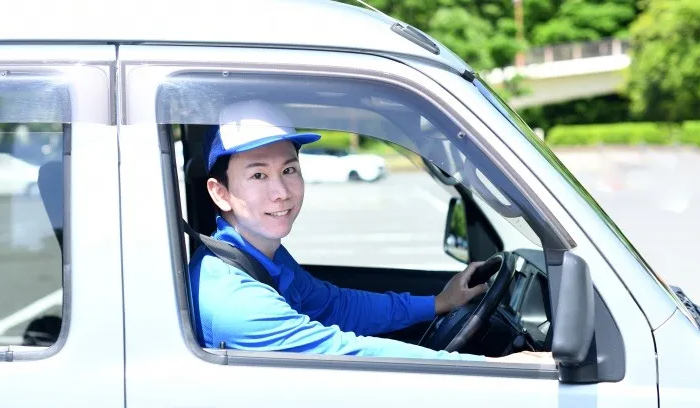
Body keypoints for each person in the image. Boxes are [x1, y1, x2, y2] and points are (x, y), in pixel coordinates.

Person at [188, 99, 551, 364]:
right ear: (220, 193)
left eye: (289, 169)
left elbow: (334, 306)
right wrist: (495, 366)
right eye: (258, 175)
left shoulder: (262, 256)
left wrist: (439, 303)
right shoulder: (234, 300)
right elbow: (346, 354)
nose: (281, 191)